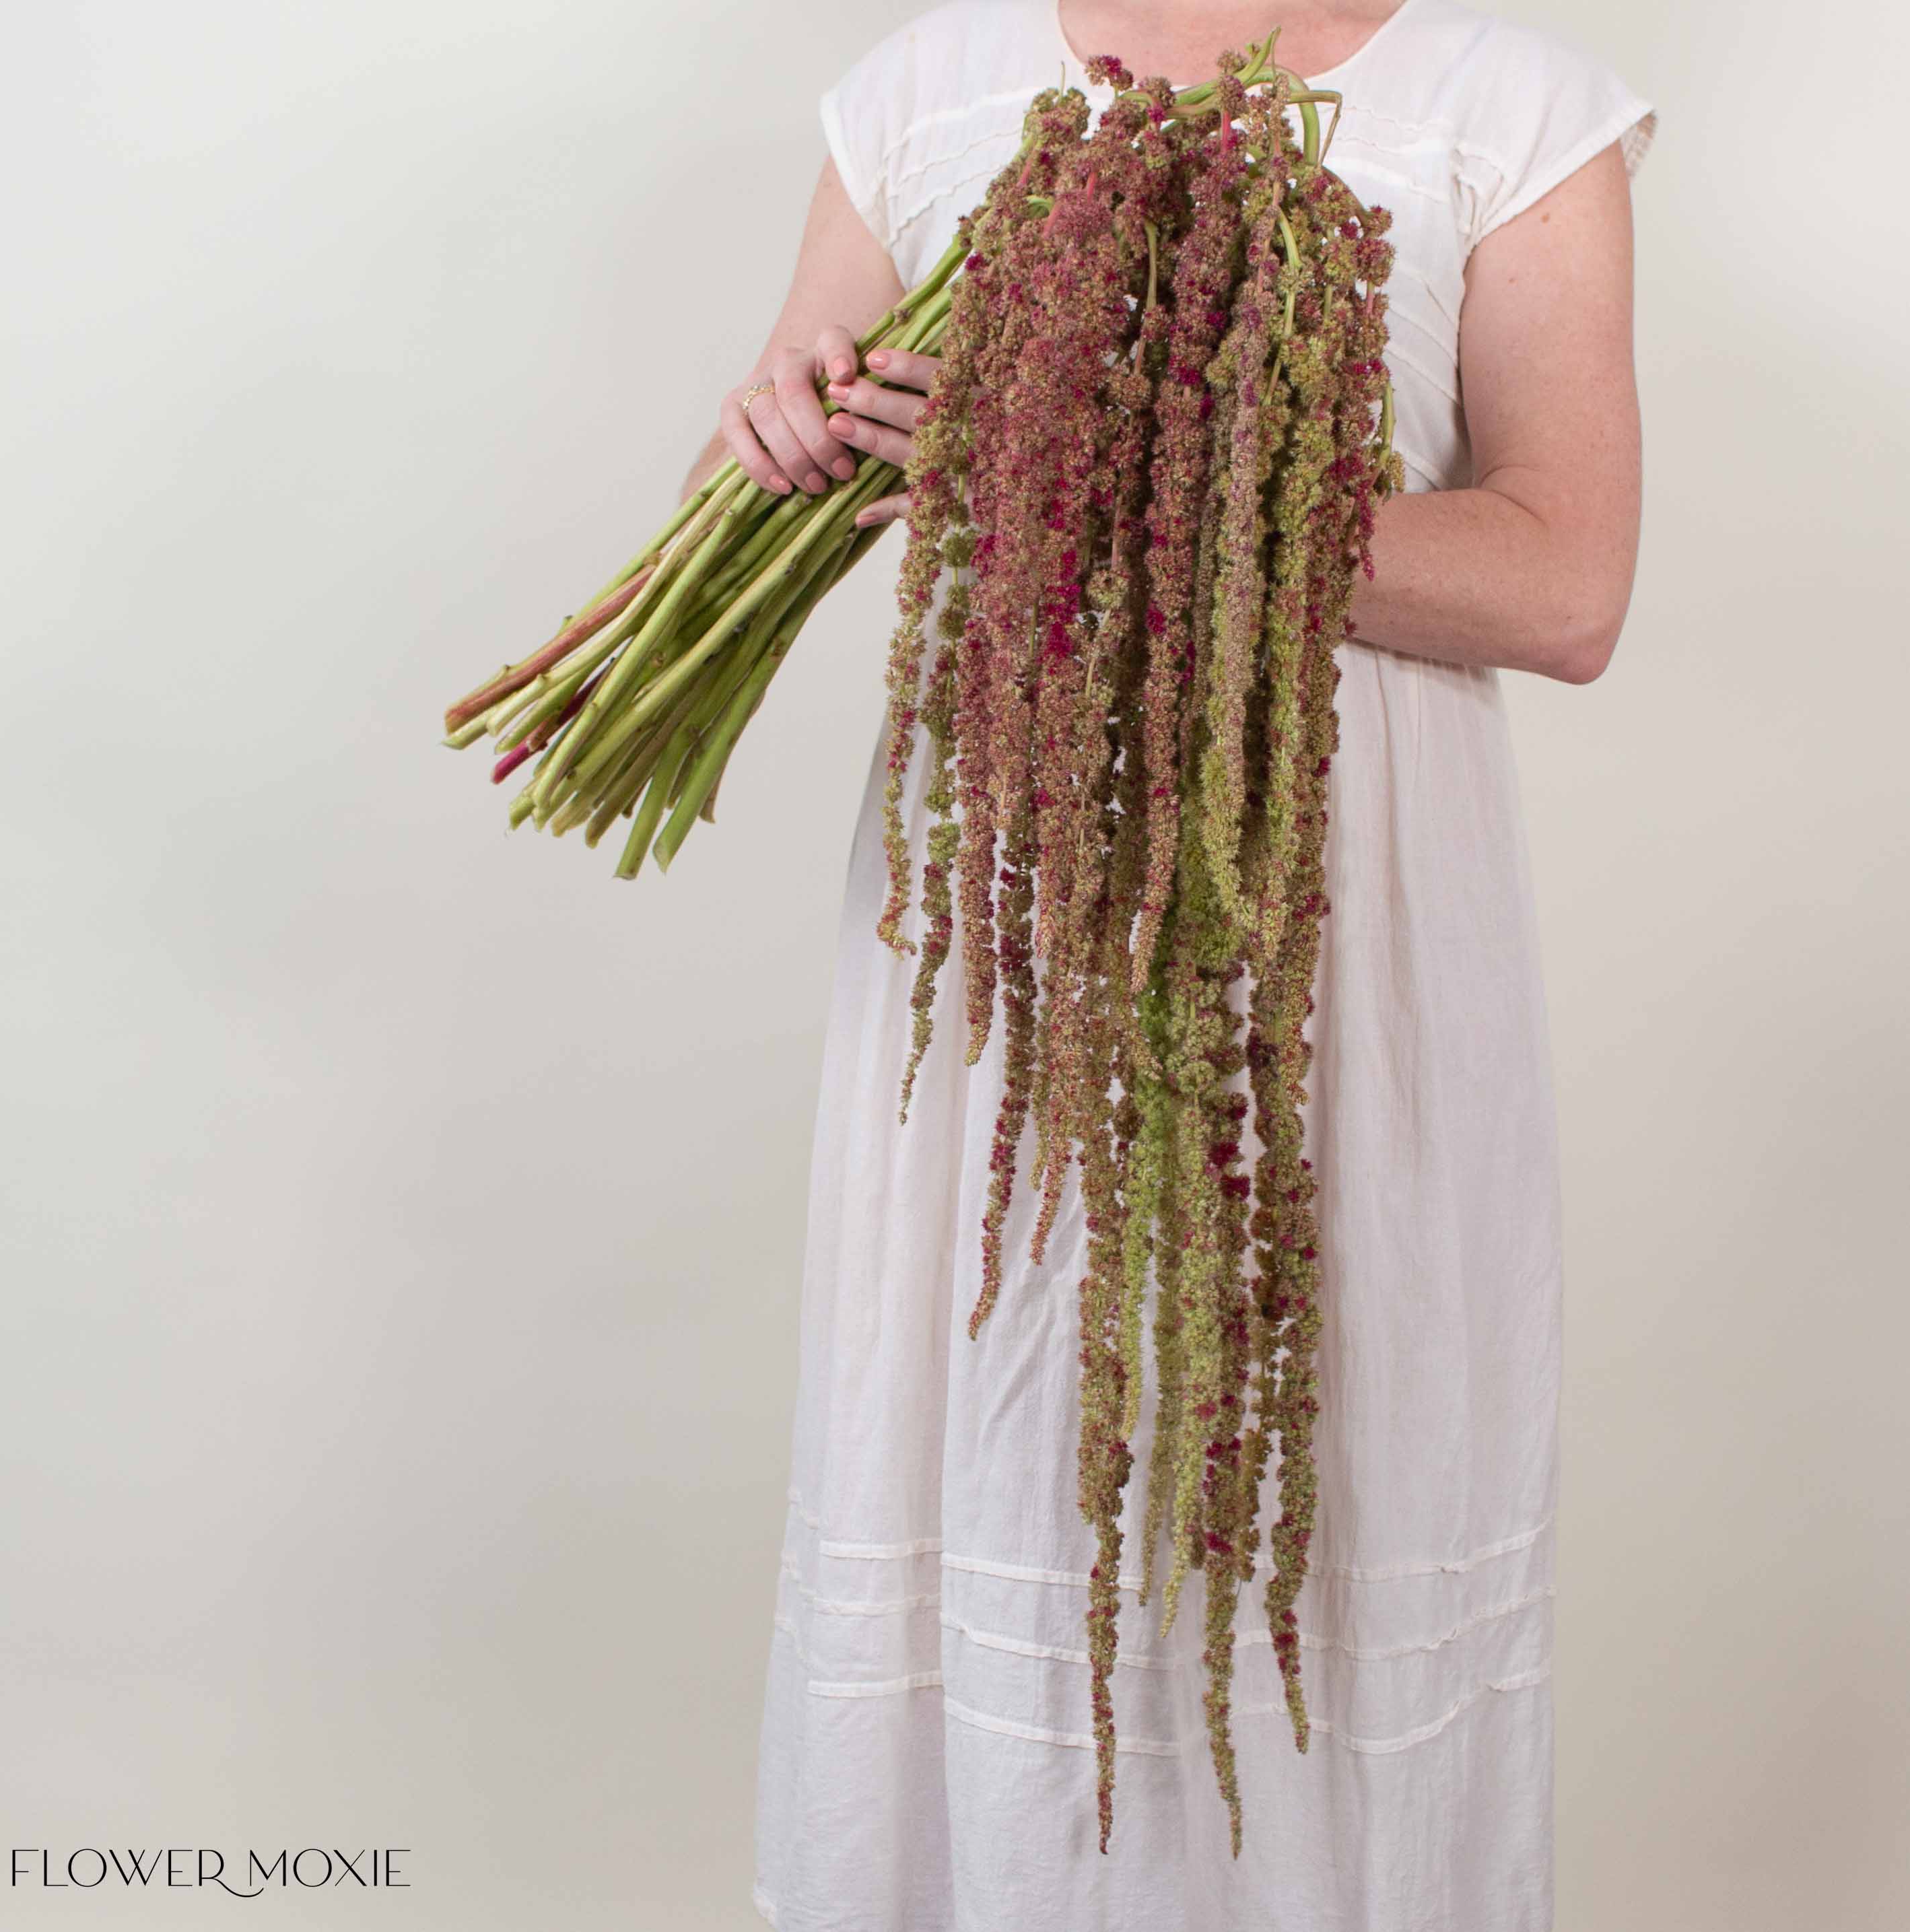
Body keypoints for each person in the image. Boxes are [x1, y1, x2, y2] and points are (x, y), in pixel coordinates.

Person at [684, 3, 1656, 1926]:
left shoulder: (1508, 107)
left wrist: (1114, 486)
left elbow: (1564, 582)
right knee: (1001, 1448)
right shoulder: (921, 94)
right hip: (1008, 936)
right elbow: (829, 455)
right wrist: (781, 431)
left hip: (1326, 941)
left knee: (1314, 1482)